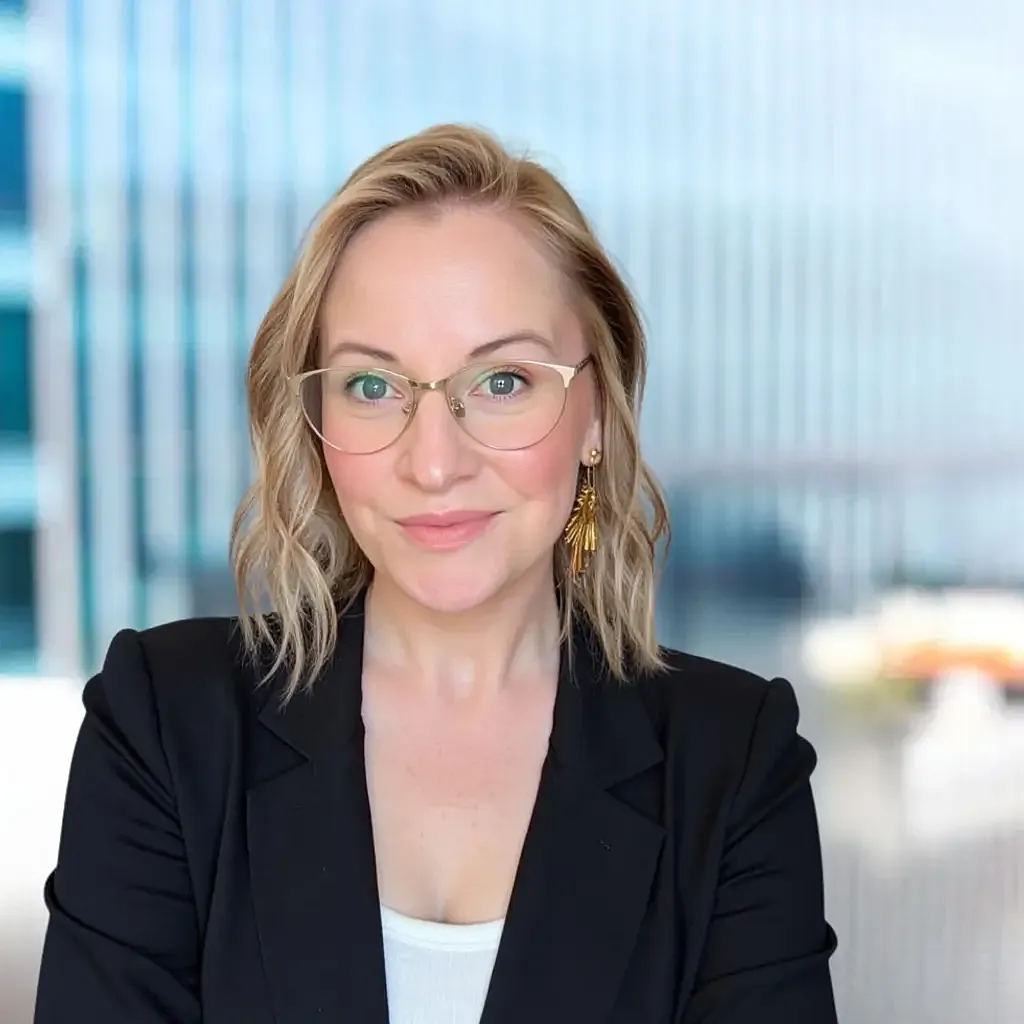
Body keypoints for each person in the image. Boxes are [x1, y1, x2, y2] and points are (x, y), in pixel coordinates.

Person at [34, 124, 838, 1024]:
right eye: (373, 388)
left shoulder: (733, 762)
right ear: (315, 422)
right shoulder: (164, 724)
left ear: (598, 414)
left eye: (501, 381)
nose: (434, 462)